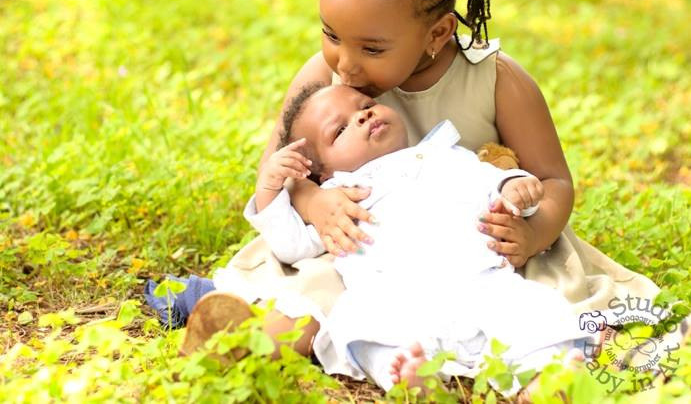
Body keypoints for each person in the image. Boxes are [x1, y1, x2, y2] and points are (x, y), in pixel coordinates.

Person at [179, 0, 691, 365]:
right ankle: (246, 345)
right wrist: (315, 198)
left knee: (553, 303)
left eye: (371, 48)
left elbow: (554, 179)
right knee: (325, 289)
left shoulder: (497, 81)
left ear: (436, 33)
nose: (345, 65)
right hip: (370, 249)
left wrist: (532, 237)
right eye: (332, 34)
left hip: (480, 250)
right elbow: (278, 166)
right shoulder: (324, 77)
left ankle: (668, 352)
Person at [218, 82, 593, 395]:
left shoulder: (444, 156)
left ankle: (545, 376)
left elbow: (491, 184)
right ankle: (410, 376)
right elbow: (290, 244)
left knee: (536, 311)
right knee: (358, 322)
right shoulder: (338, 195)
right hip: (391, 293)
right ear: (321, 171)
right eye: (340, 129)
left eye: (365, 104)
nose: (362, 115)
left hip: (479, 279)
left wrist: (516, 189)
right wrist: (270, 187)